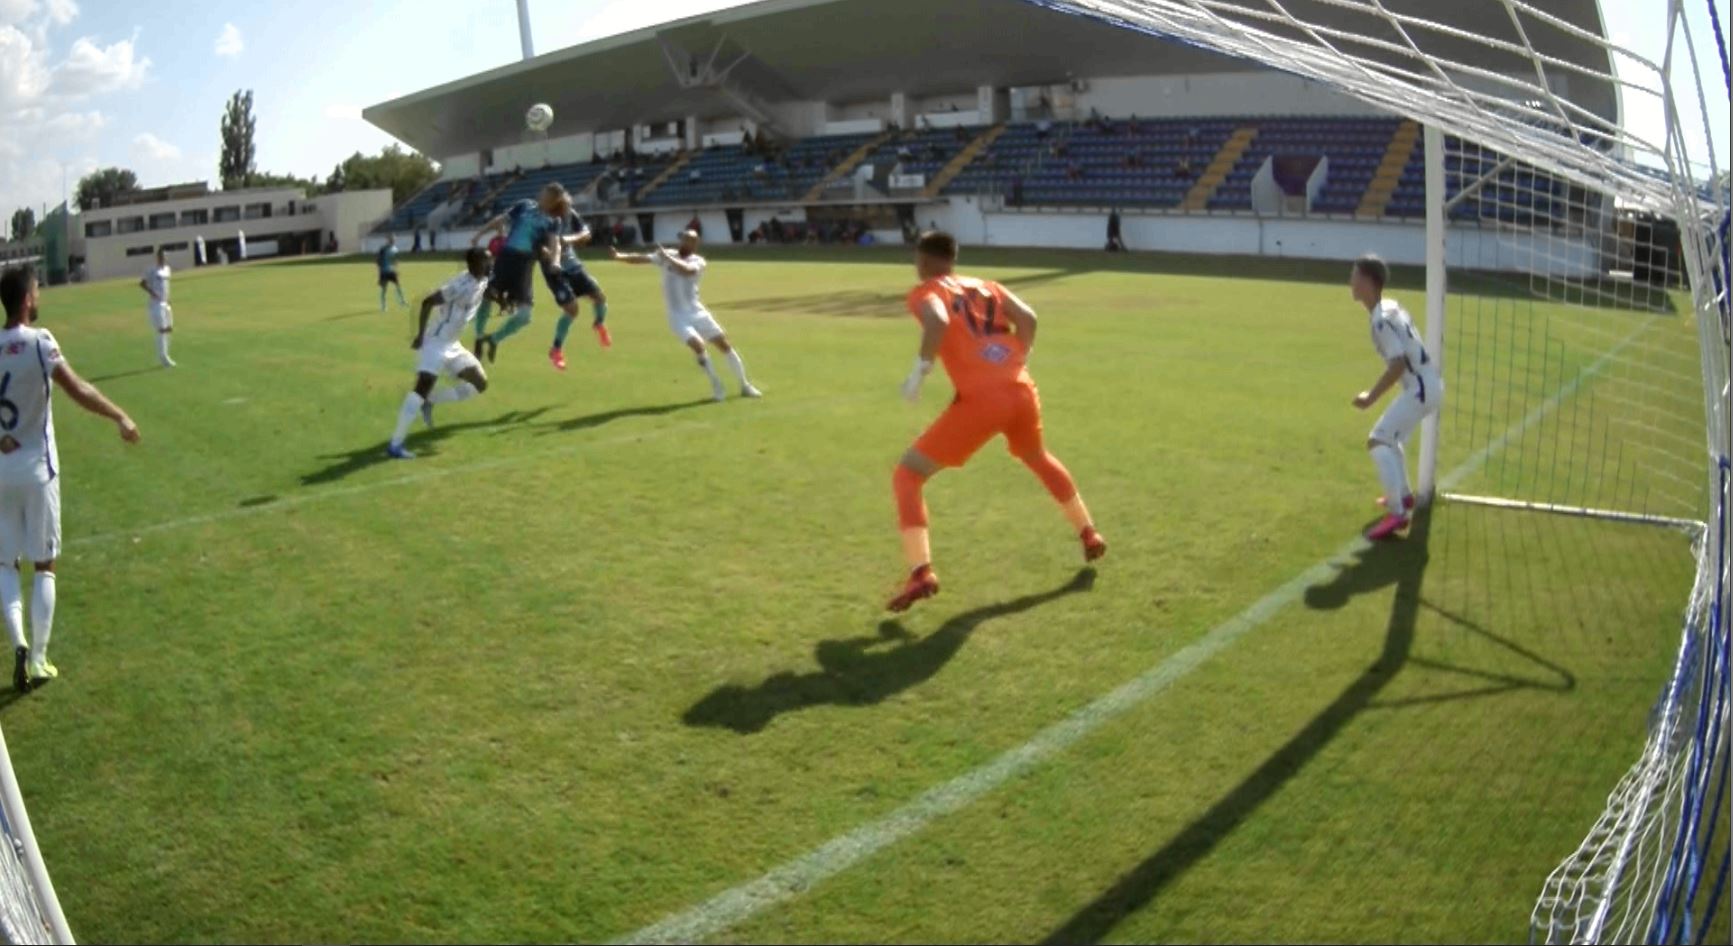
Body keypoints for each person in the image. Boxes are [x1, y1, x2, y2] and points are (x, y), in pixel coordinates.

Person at [887, 231, 1105, 612]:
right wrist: (1017, 356)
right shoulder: (987, 286)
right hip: (1020, 390)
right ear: (953, 258)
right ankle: (1088, 532)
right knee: (1037, 456)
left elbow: (937, 321)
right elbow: (1029, 318)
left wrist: (920, 370)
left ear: (922, 260)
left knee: (908, 475)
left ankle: (921, 570)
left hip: (982, 401)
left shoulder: (925, 292)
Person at [0, 264, 141, 688]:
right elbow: (77, 388)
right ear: (27, 300)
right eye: (37, 291)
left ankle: (18, 643)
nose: (39, 297)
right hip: (38, 471)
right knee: (45, 564)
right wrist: (119, 415)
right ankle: (39, 659)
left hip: (1, 473)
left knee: (5, 563)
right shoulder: (41, 344)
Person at [1351, 255, 1442, 539]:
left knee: (1377, 440)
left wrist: (1370, 397)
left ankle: (1397, 514)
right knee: (1392, 439)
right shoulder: (1390, 306)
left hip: (1420, 389)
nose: (1350, 282)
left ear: (1368, 282)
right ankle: (1402, 495)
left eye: (1354, 276)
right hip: (1426, 385)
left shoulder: (1381, 321)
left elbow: (1398, 364)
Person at [610, 230, 760, 402]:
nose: (687, 242)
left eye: (692, 240)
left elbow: (687, 271)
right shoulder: (667, 255)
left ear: (696, 244)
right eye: (685, 239)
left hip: (697, 311)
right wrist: (619, 256)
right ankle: (717, 385)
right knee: (698, 346)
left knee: (724, 345)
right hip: (677, 316)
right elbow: (642, 258)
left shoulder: (698, 261)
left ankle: (745, 385)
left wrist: (667, 258)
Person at [387, 249, 495, 461]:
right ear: (473, 264)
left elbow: (485, 290)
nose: (489, 264)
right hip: (436, 342)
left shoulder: (482, 278)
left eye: (490, 261)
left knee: (480, 383)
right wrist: (419, 335)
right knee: (421, 387)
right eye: (486, 261)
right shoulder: (458, 285)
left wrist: (501, 300)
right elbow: (428, 302)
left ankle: (431, 399)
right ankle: (395, 445)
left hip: (453, 344)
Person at [468, 184, 566, 363]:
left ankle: (494, 339)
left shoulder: (553, 220)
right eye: (543, 191)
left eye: (546, 194)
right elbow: (500, 220)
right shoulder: (525, 205)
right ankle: (479, 336)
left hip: (525, 265)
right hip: (505, 259)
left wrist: (555, 261)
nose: (541, 194)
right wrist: (479, 234)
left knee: (524, 316)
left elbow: (555, 243)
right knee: (487, 296)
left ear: (552, 200)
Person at [542, 208, 612, 371]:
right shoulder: (541, 219)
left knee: (600, 298)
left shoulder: (569, 213)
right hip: (555, 270)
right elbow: (537, 246)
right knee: (572, 309)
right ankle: (556, 349)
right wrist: (548, 253)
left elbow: (586, 232)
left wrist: (568, 239)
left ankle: (598, 324)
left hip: (574, 265)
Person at [137, 248, 176, 368]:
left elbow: (166, 286)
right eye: (161, 256)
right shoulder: (152, 270)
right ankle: (163, 357)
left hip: (166, 303)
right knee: (161, 330)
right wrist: (152, 293)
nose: (163, 258)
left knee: (169, 328)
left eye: (165, 256)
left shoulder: (167, 269)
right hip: (156, 304)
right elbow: (142, 283)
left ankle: (166, 354)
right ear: (157, 257)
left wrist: (168, 298)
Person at [377, 235, 408, 311]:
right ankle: (383, 306)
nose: (393, 241)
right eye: (391, 240)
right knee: (384, 289)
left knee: (398, 286)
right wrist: (380, 272)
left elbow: (395, 260)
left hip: (392, 271)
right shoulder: (383, 249)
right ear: (388, 240)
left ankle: (402, 301)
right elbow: (378, 261)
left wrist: (396, 267)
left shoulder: (395, 249)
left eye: (394, 240)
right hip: (384, 272)